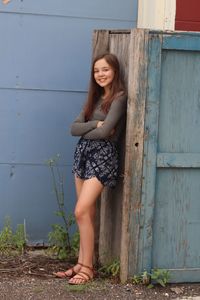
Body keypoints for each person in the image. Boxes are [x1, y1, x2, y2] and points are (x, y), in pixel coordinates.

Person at [54, 52, 127, 285]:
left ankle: (88, 269)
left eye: (105, 69)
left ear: (114, 71)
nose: (100, 74)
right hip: (83, 155)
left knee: (80, 210)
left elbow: (107, 134)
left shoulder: (119, 98)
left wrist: (93, 130)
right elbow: (73, 129)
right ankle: (82, 263)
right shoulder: (93, 100)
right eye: (96, 71)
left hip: (103, 157)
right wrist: (95, 123)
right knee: (87, 214)